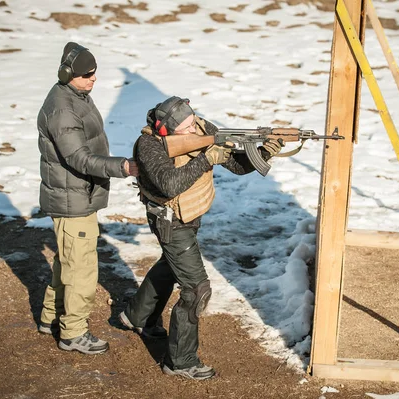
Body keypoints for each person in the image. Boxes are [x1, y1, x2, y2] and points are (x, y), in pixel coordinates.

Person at [118, 96, 283, 379]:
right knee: (196, 289)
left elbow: (237, 166)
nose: (193, 129)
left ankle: (138, 316)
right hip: (169, 219)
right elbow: (170, 185)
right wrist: (207, 157)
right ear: (165, 130)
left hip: (190, 214)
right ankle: (180, 361)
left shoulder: (201, 128)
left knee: (172, 264)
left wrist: (263, 152)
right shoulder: (148, 145)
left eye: (194, 121)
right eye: (186, 127)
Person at [36, 42, 138, 355]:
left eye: (94, 73)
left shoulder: (74, 95)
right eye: (86, 75)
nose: (93, 79)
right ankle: (73, 333)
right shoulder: (63, 109)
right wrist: (123, 166)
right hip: (72, 199)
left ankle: (51, 317)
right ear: (68, 74)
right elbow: (79, 158)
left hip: (77, 195)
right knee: (81, 270)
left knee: (68, 262)